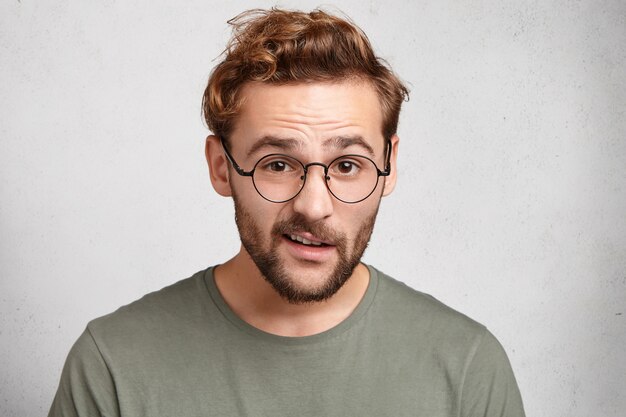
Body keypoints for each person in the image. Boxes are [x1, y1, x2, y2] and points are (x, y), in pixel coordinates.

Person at [49, 8, 525, 417]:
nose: (314, 206)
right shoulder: (112, 364)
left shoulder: (467, 368)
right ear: (221, 167)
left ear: (388, 166)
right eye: (277, 164)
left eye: (346, 165)